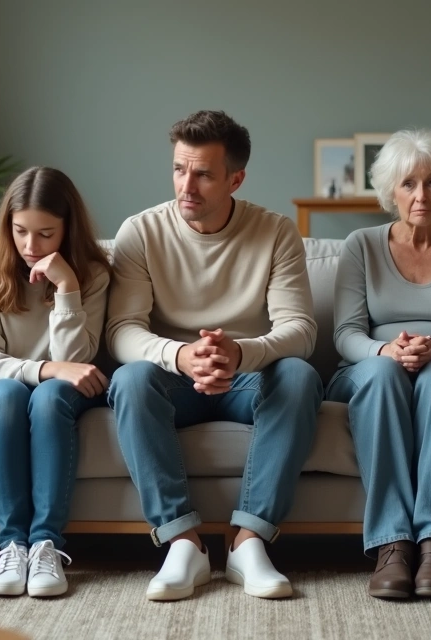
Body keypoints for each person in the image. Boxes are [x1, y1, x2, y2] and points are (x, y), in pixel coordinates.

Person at [105, 110, 322, 601]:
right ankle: (183, 543)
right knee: (130, 380)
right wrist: (181, 356)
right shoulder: (140, 231)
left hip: (247, 378)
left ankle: (249, 542)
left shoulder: (275, 231)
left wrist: (240, 353)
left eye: (203, 173)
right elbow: (122, 330)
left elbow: (300, 330)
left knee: (300, 375)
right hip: (172, 379)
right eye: (180, 169)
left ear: (235, 178)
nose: (187, 185)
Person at [326, 129, 431, 600]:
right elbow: (345, 336)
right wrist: (385, 352)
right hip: (371, 369)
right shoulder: (360, 245)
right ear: (390, 192)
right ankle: (392, 545)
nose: (421, 195)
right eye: (408, 184)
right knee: (384, 375)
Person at [0, 166, 111, 598]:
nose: (31, 247)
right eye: (20, 231)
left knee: (48, 398)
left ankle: (46, 544)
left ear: (69, 228)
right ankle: (12, 546)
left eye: (46, 233)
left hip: (62, 394)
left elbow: (75, 362)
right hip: (2, 384)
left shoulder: (95, 275)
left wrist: (66, 286)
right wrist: (43, 369)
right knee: (11, 394)